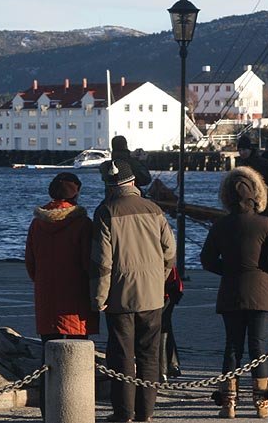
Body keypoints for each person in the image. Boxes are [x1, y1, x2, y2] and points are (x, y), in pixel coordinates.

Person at [90, 159, 176, 423]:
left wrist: (99, 297)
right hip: (152, 295)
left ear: (109, 184)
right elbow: (170, 252)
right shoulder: (153, 209)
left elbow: (102, 261)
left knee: (122, 355)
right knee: (150, 355)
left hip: (119, 296)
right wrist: (157, 280)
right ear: (133, 182)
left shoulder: (106, 211)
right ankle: (146, 413)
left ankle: (124, 413)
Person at [200, 166, 268, 418]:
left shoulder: (220, 225)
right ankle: (262, 404)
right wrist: (266, 273)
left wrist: (227, 270)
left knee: (232, 348)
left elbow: (206, 260)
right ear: (256, 195)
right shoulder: (265, 223)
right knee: (258, 348)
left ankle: (229, 404)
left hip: (230, 290)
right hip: (260, 292)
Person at [25, 172, 98, 420]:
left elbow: (30, 263)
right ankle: (75, 408)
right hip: (76, 299)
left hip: (47, 297)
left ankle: (49, 409)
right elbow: (89, 263)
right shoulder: (82, 224)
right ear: (76, 193)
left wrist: (44, 282)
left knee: (49, 357)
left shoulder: (37, 223)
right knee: (77, 354)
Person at [236, 135, 268, 220]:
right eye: (239, 150)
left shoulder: (264, 164)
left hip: (267, 204)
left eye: (244, 150)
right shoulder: (241, 165)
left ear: (250, 149)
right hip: (249, 205)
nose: (241, 153)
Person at [159, 266, 183, 383]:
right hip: (169, 282)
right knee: (164, 325)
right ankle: (172, 364)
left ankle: (162, 369)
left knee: (160, 329)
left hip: (161, 284)